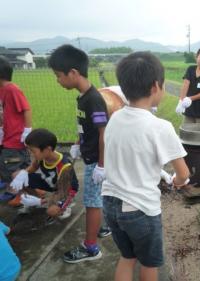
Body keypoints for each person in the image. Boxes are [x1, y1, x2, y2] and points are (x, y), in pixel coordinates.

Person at [102, 52, 190, 281]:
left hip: (110, 203)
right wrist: (177, 182)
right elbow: (183, 173)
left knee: (127, 257)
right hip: (139, 208)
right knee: (149, 264)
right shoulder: (161, 127)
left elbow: (127, 156)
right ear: (154, 87)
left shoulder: (115, 118)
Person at [48, 44, 110, 263]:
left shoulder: (93, 99)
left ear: (73, 73)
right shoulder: (83, 97)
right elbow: (86, 127)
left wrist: (101, 165)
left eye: (58, 76)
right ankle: (105, 226)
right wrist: (77, 142)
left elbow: (104, 133)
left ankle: (91, 248)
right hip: (91, 156)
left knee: (92, 202)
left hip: (96, 161)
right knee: (99, 199)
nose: (57, 80)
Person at [9, 128, 79, 220]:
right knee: (17, 176)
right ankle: (35, 200)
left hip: (66, 190)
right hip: (49, 182)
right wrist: (23, 173)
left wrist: (40, 202)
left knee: (52, 211)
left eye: (33, 151)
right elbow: (33, 167)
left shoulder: (64, 166)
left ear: (47, 149)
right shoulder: (41, 156)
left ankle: (65, 206)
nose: (31, 153)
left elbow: (62, 192)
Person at [0, 56, 32, 205]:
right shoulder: (2, 90)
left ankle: (17, 194)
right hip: (7, 137)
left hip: (15, 138)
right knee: (16, 165)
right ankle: (26, 193)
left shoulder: (12, 89)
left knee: (12, 165)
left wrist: (27, 130)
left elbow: (26, 109)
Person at [175, 46, 200, 124]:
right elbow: (185, 84)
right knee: (188, 132)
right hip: (188, 108)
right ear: (196, 57)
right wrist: (181, 100)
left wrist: (190, 98)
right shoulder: (190, 69)